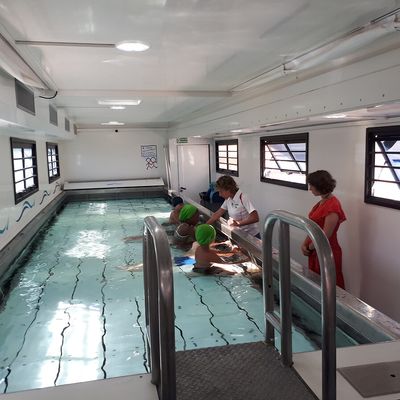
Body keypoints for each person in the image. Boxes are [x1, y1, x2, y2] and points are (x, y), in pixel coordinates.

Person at [301, 170, 346, 289]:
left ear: (319, 186)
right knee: (316, 284)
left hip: (327, 250)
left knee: (329, 286)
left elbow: (325, 234)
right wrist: (305, 244)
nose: (310, 189)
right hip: (315, 247)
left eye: (312, 186)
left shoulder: (333, 205)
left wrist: (309, 247)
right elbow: (313, 226)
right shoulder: (322, 202)